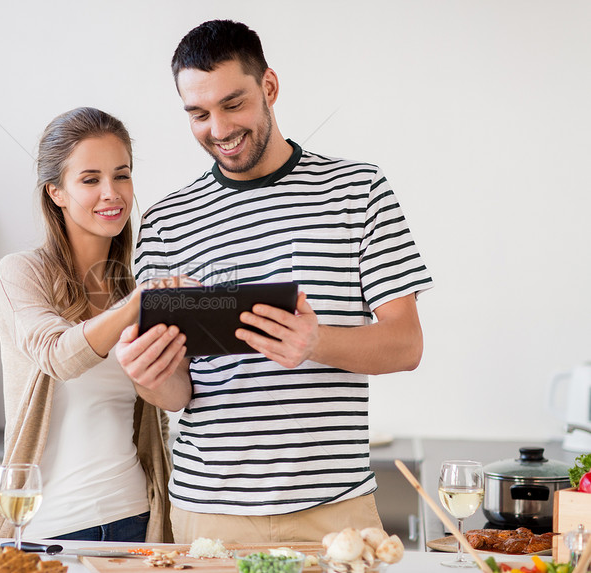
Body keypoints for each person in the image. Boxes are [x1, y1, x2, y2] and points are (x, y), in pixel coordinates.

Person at [115, 20, 434, 543]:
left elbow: (406, 344)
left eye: (232, 104)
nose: (217, 129)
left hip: (336, 513)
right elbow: (176, 395)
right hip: (209, 515)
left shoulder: (359, 191)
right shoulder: (167, 220)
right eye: (198, 114)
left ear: (269, 87)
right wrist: (145, 373)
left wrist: (316, 341)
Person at [0, 107, 172, 544]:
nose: (112, 193)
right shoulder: (20, 274)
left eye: (121, 175)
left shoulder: (140, 279)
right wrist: (138, 305)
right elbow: (57, 355)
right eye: (90, 180)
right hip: (48, 526)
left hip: (136, 520)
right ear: (56, 192)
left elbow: (173, 394)